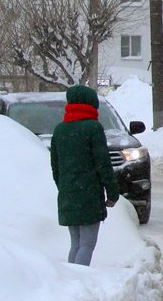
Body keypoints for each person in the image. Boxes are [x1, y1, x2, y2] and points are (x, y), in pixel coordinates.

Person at [50, 84, 119, 266]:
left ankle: (71, 279)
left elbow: (55, 167)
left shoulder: (60, 130)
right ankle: (78, 281)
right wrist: (112, 193)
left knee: (76, 244)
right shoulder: (93, 128)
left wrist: (65, 188)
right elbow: (103, 164)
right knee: (87, 244)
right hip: (89, 195)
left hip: (68, 194)